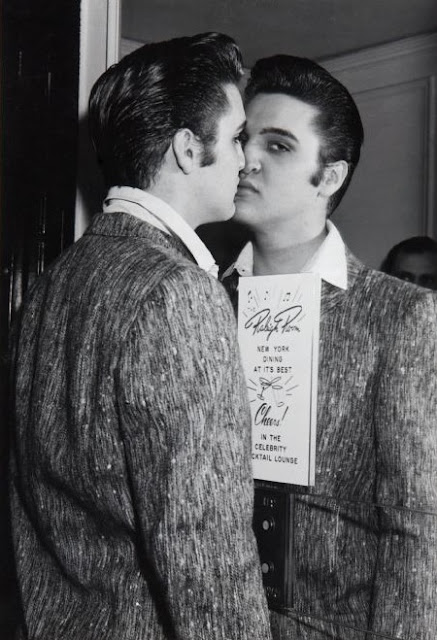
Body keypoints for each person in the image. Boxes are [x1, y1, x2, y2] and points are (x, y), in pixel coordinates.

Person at [9, 33, 272, 640]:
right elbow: (206, 557)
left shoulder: (53, 282)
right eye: (237, 137)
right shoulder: (177, 291)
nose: (246, 159)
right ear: (187, 148)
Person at [222, 54, 437, 639]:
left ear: (330, 176)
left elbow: (417, 528)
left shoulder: (398, 316)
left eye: (278, 145)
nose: (247, 159)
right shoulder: (199, 301)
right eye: (243, 139)